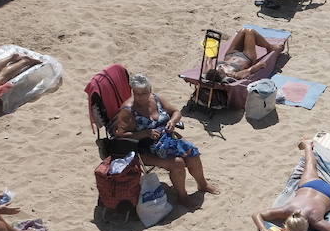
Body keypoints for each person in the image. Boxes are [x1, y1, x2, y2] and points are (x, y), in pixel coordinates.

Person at [115, 74, 219, 206]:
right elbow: (121, 136)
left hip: (166, 139)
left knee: (192, 153)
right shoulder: (128, 110)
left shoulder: (156, 99)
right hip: (144, 149)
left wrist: (172, 121)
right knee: (178, 163)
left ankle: (202, 184)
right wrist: (145, 133)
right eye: (137, 93)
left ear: (150, 90)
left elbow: (176, 112)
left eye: (144, 93)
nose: (140, 97)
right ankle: (182, 196)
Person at [203, 28, 289, 84]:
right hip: (246, 57)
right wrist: (258, 65)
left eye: (218, 68)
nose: (220, 67)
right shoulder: (232, 75)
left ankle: (269, 46)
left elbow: (208, 62)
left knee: (243, 31)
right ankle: (270, 47)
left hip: (230, 54)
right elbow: (249, 71)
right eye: (220, 70)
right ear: (221, 76)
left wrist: (210, 54)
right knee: (250, 32)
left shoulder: (211, 72)